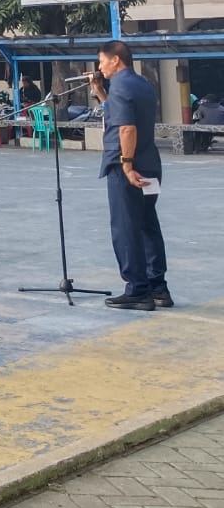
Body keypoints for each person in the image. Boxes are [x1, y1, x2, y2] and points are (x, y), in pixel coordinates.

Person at [90, 41, 170, 310]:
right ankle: (158, 286)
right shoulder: (141, 84)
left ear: (115, 60)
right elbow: (119, 112)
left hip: (128, 167)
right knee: (147, 224)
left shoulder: (121, 85)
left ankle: (137, 289)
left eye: (101, 60)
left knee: (126, 228)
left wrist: (126, 164)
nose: (99, 67)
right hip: (149, 163)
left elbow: (126, 128)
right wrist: (101, 92)